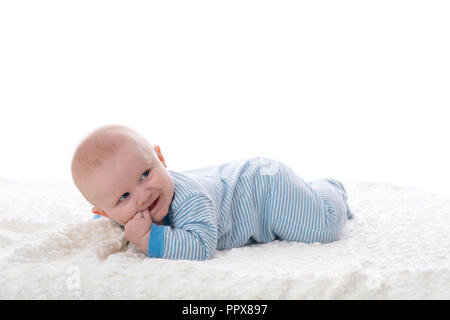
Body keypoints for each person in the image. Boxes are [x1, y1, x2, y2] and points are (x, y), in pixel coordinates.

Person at [71, 124, 353, 260]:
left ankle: (329, 189)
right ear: (103, 212)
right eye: (124, 197)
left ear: (161, 158)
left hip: (266, 189)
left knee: (322, 227)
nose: (143, 195)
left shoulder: (190, 200)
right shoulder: (116, 212)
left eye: (145, 174)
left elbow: (201, 246)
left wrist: (147, 238)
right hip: (245, 180)